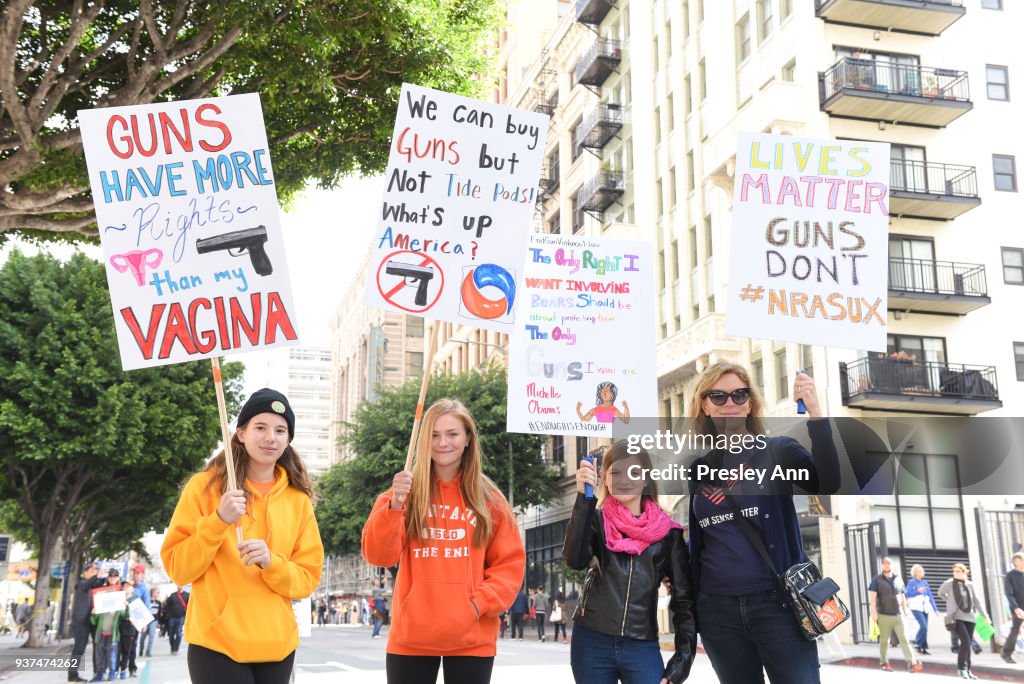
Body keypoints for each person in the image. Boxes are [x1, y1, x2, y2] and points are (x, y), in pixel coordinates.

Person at [686, 362, 842, 683]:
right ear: (704, 405)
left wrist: (816, 414)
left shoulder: (778, 451)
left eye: (739, 394)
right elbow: (702, 539)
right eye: (718, 396)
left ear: (750, 403)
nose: (730, 403)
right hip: (718, 612)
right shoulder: (700, 469)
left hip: (778, 606)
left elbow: (828, 482)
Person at [160, 388, 324, 684]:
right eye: (260, 427)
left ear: (288, 440)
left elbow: (306, 580)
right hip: (216, 644)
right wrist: (218, 521)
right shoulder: (204, 488)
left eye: (280, 430)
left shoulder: (297, 500)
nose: (269, 438)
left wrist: (271, 563)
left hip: (277, 646)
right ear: (240, 434)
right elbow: (178, 568)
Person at [362, 398, 525, 684]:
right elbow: (378, 555)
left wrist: (477, 604)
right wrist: (396, 505)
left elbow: (509, 565)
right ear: (424, 440)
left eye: (452, 434)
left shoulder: (490, 499)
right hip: (411, 638)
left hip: (471, 638)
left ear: (467, 439)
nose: (443, 443)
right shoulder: (403, 492)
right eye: (434, 435)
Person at [564, 440, 695, 683]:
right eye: (616, 472)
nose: (625, 479)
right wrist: (583, 500)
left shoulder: (669, 534)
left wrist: (681, 663)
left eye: (634, 472)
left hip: (640, 644)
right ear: (604, 477)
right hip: (591, 640)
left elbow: (683, 602)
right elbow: (574, 560)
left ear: (646, 478)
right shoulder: (595, 520)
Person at [869, 557, 922, 672]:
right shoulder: (876, 580)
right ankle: (884, 663)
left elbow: (902, 595)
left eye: (889, 563)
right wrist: (873, 611)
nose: (887, 566)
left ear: (892, 565)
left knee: (904, 639)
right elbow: (873, 597)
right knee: (884, 640)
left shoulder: (898, 579)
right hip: (884, 615)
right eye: (885, 564)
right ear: (882, 565)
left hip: (899, 615)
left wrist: (905, 609)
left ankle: (912, 663)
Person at [939, 563, 988, 680]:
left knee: (967, 644)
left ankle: (968, 670)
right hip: (956, 618)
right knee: (965, 642)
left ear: (965, 572)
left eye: (958, 571)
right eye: (954, 571)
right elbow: (940, 593)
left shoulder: (971, 585)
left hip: (970, 617)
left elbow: (977, 601)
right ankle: (962, 669)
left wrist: (985, 616)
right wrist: (950, 601)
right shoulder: (949, 583)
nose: (955, 573)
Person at [69, 562, 104, 682]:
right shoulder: (82, 584)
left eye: (95, 571)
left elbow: (99, 584)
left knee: (82, 649)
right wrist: (99, 575)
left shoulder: (90, 586)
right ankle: (72, 675)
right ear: (85, 572)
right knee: (79, 649)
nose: (94, 573)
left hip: (87, 621)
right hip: (80, 622)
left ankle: (75, 674)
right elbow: (91, 582)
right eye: (92, 571)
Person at [90, 570, 127, 682]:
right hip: (101, 630)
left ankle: (113, 672)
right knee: (99, 654)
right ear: (107, 578)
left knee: (112, 654)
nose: (112, 578)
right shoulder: (102, 592)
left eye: (115, 576)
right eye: (110, 576)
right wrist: (93, 612)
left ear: (118, 578)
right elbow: (94, 619)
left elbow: (124, 614)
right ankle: (100, 673)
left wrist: (125, 606)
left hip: (114, 631)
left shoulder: (121, 592)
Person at [906, 564, 938, 656]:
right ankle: (917, 643)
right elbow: (907, 594)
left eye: (922, 570)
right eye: (920, 571)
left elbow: (930, 596)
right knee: (923, 626)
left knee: (925, 628)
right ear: (915, 573)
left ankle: (923, 648)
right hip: (916, 607)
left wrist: (935, 609)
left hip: (925, 607)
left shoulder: (925, 582)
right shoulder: (912, 582)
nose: (922, 572)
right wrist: (918, 591)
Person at [1001, 552, 1024, 664]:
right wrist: (1016, 608)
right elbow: (1009, 594)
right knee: (1015, 630)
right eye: (1023, 560)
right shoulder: (1010, 576)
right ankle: (1006, 653)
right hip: (1018, 608)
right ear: (1016, 562)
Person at [117, 578, 139, 679]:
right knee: (119, 649)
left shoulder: (135, 599)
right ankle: (118, 668)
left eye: (128, 586)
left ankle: (131, 669)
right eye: (124, 586)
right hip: (119, 626)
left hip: (131, 627)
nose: (125, 588)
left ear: (132, 589)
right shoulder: (118, 598)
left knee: (131, 649)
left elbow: (140, 614)